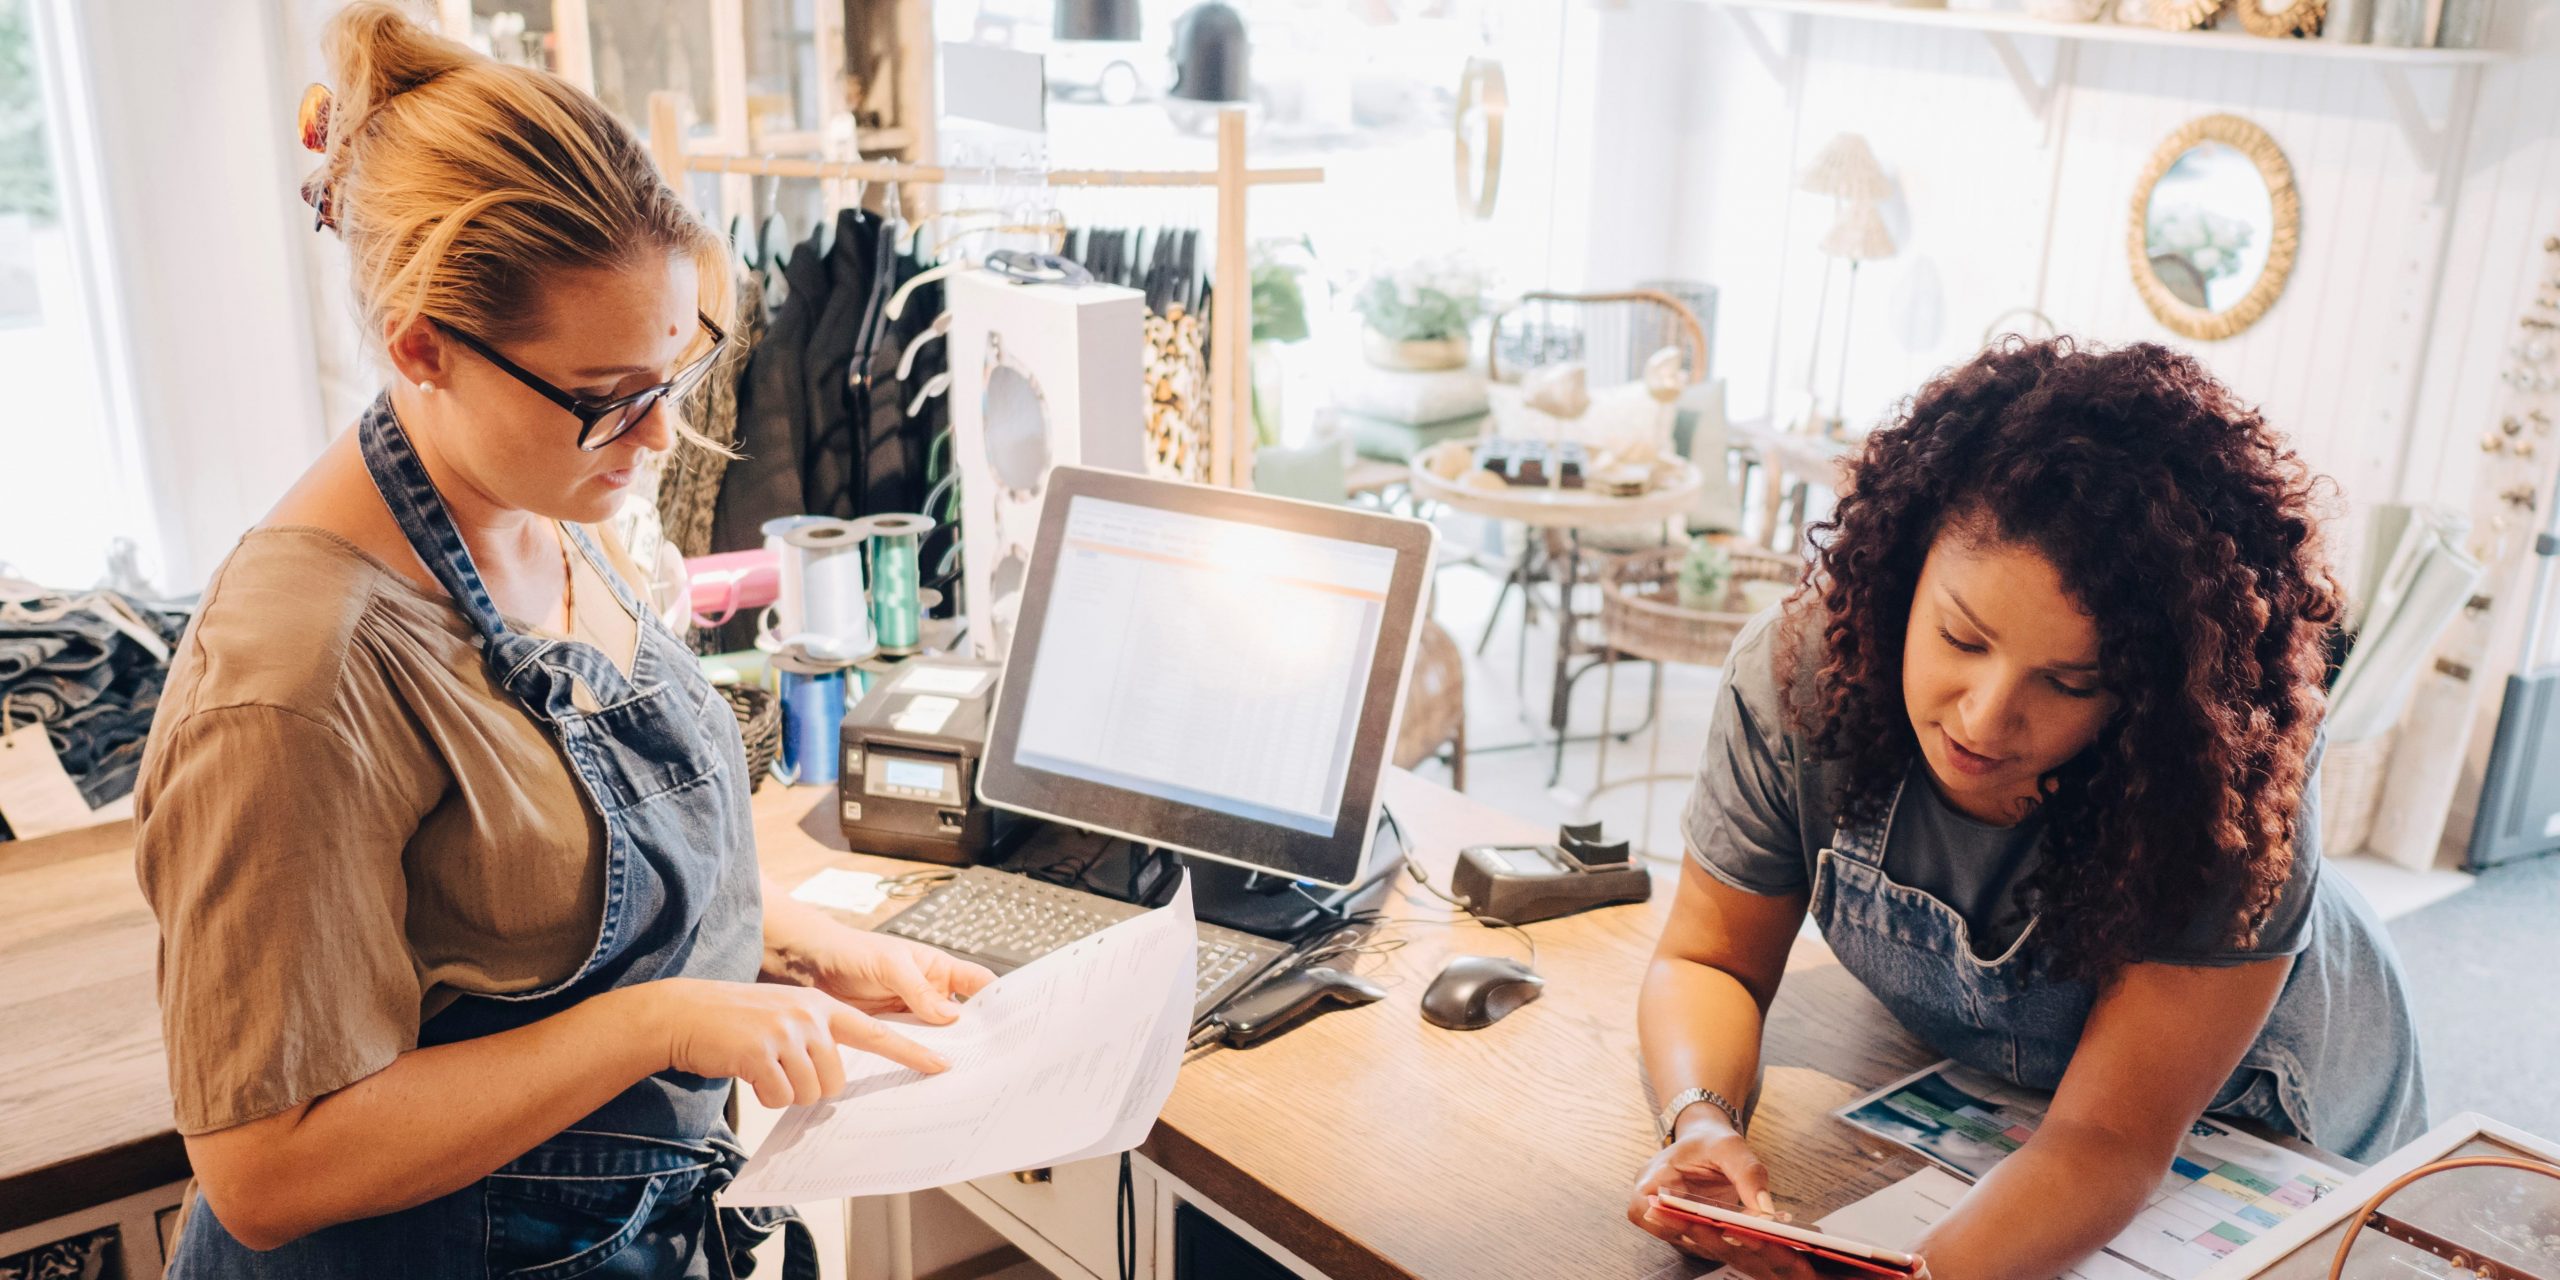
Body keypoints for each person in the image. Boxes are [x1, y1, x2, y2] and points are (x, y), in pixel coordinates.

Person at [132, 7, 992, 1274]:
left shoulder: (543, 506)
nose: (654, 441)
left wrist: (779, 945)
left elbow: (519, 902)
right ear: (420, 345)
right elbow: (266, 1166)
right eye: (607, 401)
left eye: (674, 372)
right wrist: (659, 1023)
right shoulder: (297, 676)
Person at [1628, 339, 2428, 1279]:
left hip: (2280, 1128)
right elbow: (1709, 956)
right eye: (1960, 639)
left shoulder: (2222, 775)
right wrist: (1701, 1120)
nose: (1986, 717)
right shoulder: (1803, 674)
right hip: (2022, 1105)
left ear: (2147, 694)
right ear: (1902, 574)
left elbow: (2108, 1140)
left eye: (2069, 681)